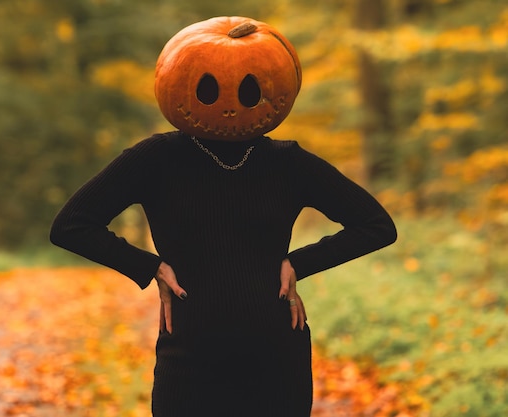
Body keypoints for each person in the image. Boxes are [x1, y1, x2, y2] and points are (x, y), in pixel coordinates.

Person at [50, 16, 397, 417]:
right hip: (189, 361)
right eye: (210, 89)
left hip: (277, 359)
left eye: (249, 90)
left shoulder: (290, 164)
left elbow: (376, 226)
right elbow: (72, 225)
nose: (231, 105)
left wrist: (298, 262)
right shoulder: (155, 160)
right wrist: (150, 267)